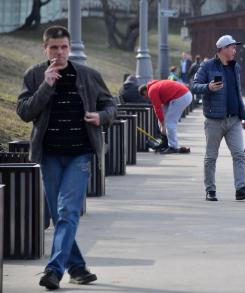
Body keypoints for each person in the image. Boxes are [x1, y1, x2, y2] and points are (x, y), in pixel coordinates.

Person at [16, 25, 116, 290]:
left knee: (68, 211)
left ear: (69, 48)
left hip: (79, 155)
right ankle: (78, 268)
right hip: (49, 155)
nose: (59, 53)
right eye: (53, 48)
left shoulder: (87, 75)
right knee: (61, 216)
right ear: (45, 48)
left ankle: (53, 269)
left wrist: (101, 117)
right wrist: (46, 86)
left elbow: (110, 104)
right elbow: (25, 112)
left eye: (63, 47)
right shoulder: (35, 75)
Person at [192, 34, 245, 202]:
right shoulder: (207, 66)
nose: (235, 50)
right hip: (214, 120)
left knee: (239, 154)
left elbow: (236, 91)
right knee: (211, 157)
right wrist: (208, 87)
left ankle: (240, 189)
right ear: (222, 49)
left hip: (233, 119)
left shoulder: (236, 67)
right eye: (232, 47)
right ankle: (210, 190)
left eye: (235, 47)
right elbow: (194, 86)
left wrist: (241, 113)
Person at [139, 80, 192, 153]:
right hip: (183, 95)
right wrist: (161, 122)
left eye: (145, 96)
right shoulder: (156, 85)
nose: (147, 98)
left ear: (145, 91)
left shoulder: (151, 90)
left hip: (181, 96)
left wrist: (163, 122)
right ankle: (165, 142)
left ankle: (173, 146)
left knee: (169, 122)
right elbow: (161, 109)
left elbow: (157, 108)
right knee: (163, 121)